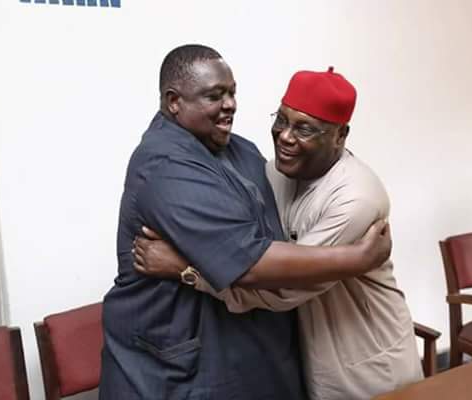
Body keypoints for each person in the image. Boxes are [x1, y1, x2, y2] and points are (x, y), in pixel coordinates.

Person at [100, 44, 391, 400]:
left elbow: (271, 249)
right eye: (214, 96)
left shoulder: (242, 151)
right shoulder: (166, 165)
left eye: (232, 93)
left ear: (340, 136)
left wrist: (184, 267)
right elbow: (251, 262)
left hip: (264, 351)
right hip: (182, 365)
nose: (230, 104)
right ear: (174, 101)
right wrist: (357, 259)